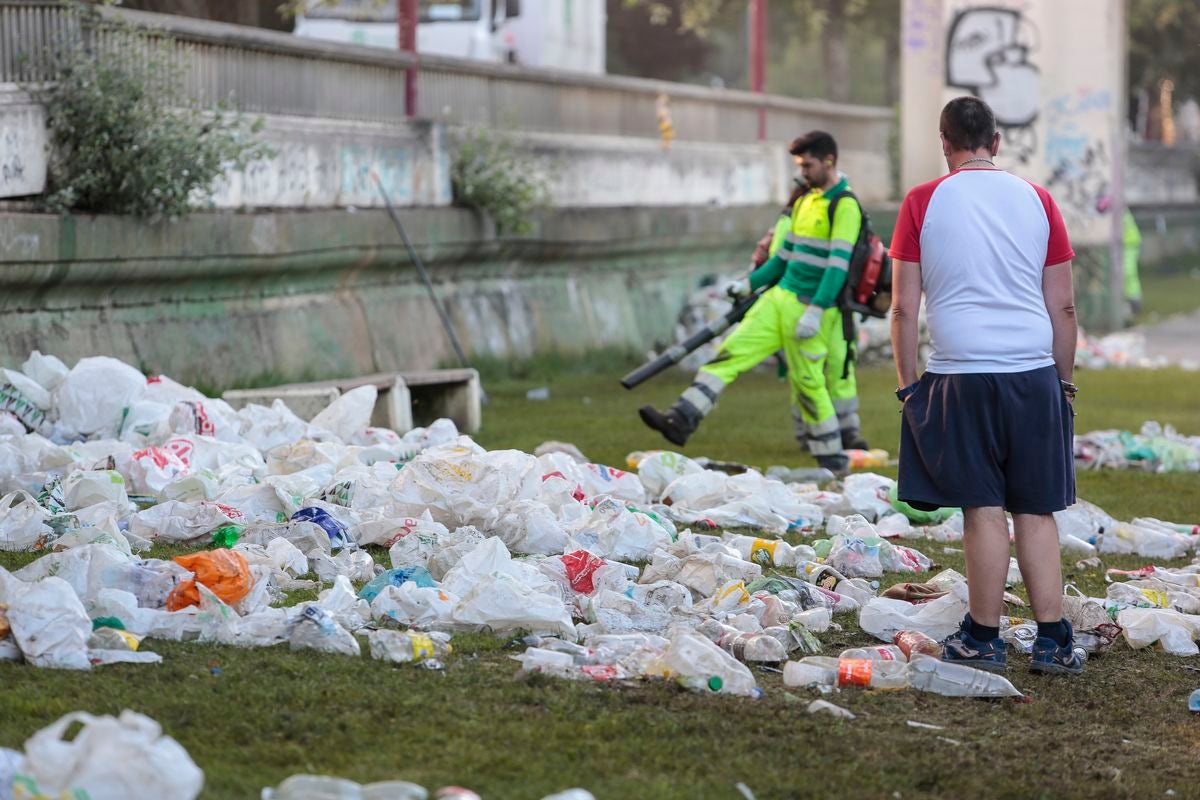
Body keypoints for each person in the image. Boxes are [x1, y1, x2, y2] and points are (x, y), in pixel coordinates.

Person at [889, 96, 1083, 675]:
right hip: (1032, 372)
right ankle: (1053, 640)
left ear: (944, 143)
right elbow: (1064, 307)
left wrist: (908, 387)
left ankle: (984, 636)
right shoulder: (1037, 199)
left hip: (958, 373)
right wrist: (1063, 384)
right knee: (1037, 508)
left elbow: (903, 309)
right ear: (997, 142)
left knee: (982, 508)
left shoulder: (923, 200)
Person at [639, 131, 868, 475]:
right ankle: (680, 419)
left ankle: (833, 460)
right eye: (800, 165)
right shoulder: (805, 201)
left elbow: (837, 268)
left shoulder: (845, 206)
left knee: (809, 384)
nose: (803, 172)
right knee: (728, 355)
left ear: (829, 161)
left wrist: (816, 310)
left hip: (808, 309)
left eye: (808, 165)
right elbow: (783, 259)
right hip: (777, 300)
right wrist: (748, 284)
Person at [1123, 208, 1143, 316]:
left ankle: (1134, 303)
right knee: (1128, 275)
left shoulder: (1118, 208)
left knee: (1128, 273)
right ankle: (1133, 302)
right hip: (1128, 244)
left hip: (1129, 244)